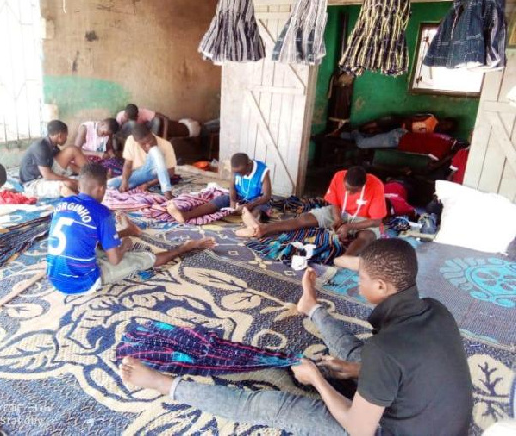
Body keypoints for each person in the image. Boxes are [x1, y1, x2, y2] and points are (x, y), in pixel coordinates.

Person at [120, 239, 473, 436]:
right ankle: (311, 307)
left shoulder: (386, 350)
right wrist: (354, 371)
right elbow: (403, 366)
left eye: (362, 279)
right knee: (353, 356)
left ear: (381, 286)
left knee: (272, 406)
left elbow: (359, 429)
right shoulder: (435, 309)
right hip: (439, 424)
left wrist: (318, 380)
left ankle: (166, 385)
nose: (357, 283)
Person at [47, 162, 216, 294]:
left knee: (93, 241)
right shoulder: (101, 212)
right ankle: (185, 247)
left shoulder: (62, 204)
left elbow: (88, 238)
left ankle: (130, 231)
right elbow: (115, 260)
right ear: (100, 189)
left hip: (55, 277)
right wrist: (126, 245)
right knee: (143, 258)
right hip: (82, 282)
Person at [236, 167, 386, 260]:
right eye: (347, 188)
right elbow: (334, 201)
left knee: (367, 237)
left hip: (363, 219)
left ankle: (346, 259)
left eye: (354, 191)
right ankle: (264, 228)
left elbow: (376, 221)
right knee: (304, 219)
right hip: (341, 211)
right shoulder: (339, 176)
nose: (348, 192)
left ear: (364, 185)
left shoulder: (376, 185)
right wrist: (337, 217)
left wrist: (349, 226)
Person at [166, 153, 272, 224]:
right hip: (240, 197)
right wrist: (232, 202)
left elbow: (267, 196)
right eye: (235, 172)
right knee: (217, 201)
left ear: (249, 165)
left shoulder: (262, 170)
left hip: (256, 200)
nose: (238, 174)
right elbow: (232, 186)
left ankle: (252, 226)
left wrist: (249, 205)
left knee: (259, 210)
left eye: (240, 172)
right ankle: (186, 215)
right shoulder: (237, 169)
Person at [19, 120, 87, 198]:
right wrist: (67, 180)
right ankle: (82, 203)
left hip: (46, 173)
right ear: (60, 135)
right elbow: (47, 175)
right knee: (70, 184)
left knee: (73, 149)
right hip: (33, 183)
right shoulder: (41, 147)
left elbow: (67, 164)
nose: (66, 138)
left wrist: (82, 171)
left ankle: (91, 175)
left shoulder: (52, 145)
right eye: (66, 135)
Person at [107, 123, 176, 200]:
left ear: (151, 133)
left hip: (156, 173)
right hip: (141, 173)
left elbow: (170, 172)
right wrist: (124, 181)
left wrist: (148, 185)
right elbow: (128, 165)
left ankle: (167, 191)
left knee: (155, 151)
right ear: (136, 141)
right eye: (143, 144)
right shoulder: (131, 140)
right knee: (110, 184)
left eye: (150, 141)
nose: (148, 146)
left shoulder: (166, 145)